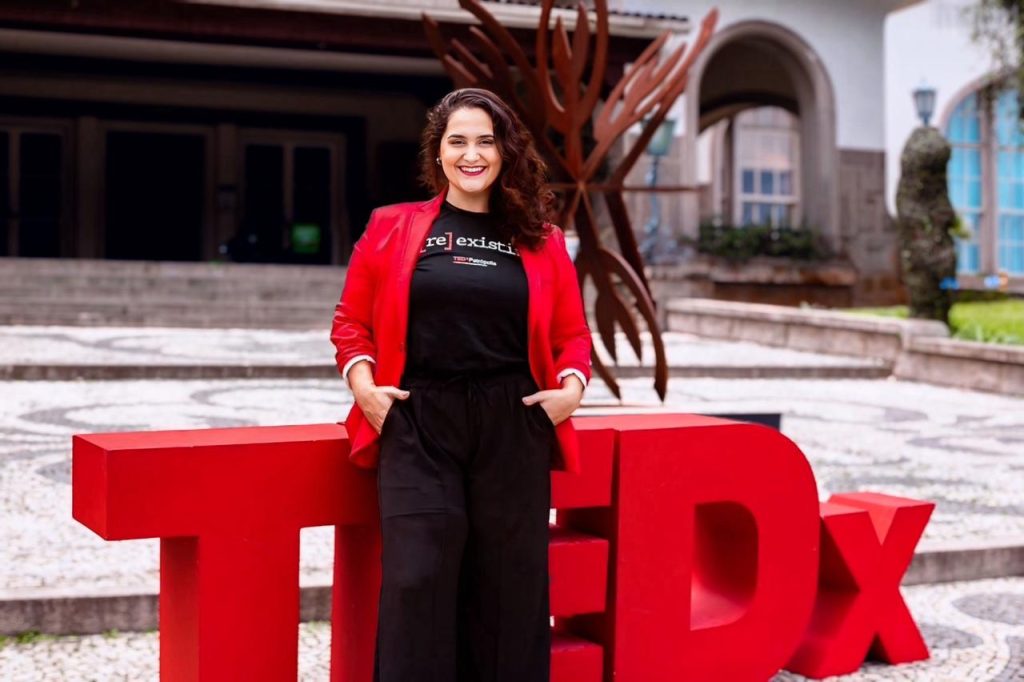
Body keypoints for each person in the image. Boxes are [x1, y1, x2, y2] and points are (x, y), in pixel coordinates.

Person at [330, 87, 592, 682]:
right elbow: (351, 323)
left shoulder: (541, 238)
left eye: (485, 141)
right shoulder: (392, 225)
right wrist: (365, 390)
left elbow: (574, 335)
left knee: (509, 589)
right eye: (458, 142)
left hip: (514, 420)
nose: (471, 154)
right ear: (438, 152)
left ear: (504, 153)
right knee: (416, 576)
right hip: (420, 418)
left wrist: (571, 392)